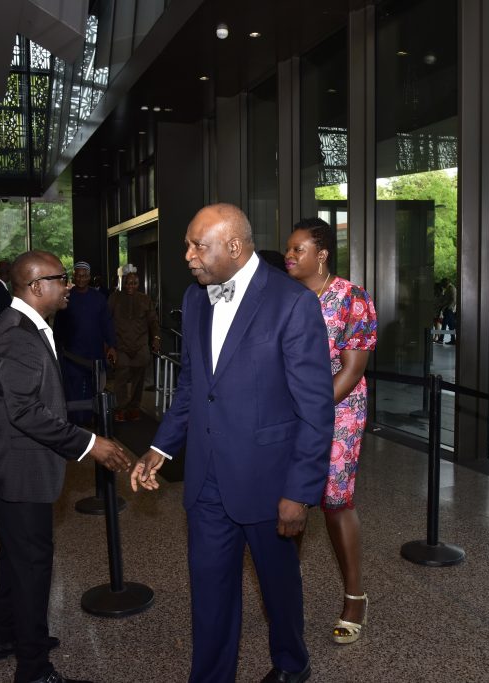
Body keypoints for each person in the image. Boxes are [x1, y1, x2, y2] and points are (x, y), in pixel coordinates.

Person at [131, 203, 334, 683]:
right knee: (210, 592)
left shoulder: (291, 303)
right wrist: (160, 449)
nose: (188, 256)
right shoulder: (196, 298)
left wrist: (300, 492)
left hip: (268, 481)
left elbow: (315, 408)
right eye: (189, 244)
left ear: (235, 247)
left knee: (278, 586)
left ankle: (291, 663)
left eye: (198, 246)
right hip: (206, 482)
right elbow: (193, 389)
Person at [0, 250, 131, 683]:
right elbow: (24, 411)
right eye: (60, 278)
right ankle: (34, 668)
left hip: (11, 467)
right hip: (18, 471)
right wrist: (89, 444)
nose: (68, 285)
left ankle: (4, 637)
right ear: (37, 286)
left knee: (15, 560)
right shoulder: (18, 334)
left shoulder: (26, 326)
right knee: (32, 567)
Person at [285, 218, 378, 646]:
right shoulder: (283, 298)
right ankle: (288, 593)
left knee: (336, 501)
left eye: (297, 249)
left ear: (320, 255)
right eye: (288, 250)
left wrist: (313, 411)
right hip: (288, 413)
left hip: (338, 411)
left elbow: (353, 368)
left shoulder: (351, 298)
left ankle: (355, 596)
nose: (289, 256)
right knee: (292, 497)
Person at [52, 261, 116, 426]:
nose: (80, 278)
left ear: (89, 277)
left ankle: (89, 422)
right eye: (77, 275)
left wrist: (111, 345)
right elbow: (58, 326)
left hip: (94, 355)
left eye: (84, 275)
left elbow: (107, 324)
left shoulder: (99, 299)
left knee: (93, 390)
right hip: (71, 355)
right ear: (74, 276)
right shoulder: (66, 297)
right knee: (72, 391)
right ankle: (74, 425)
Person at [107, 270, 160, 422]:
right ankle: (121, 408)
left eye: (134, 283)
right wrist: (108, 344)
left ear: (138, 284)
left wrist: (156, 338)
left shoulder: (144, 299)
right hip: (121, 346)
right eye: (128, 283)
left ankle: (134, 408)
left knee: (139, 380)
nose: (130, 286)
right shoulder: (114, 298)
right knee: (121, 380)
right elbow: (106, 320)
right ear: (123, 283)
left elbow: (153, 322)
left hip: (140, 347)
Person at [436, 277, 457, 344]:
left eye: (443, 283)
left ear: (446, 282)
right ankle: (453, 339)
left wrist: (449, 307)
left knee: (445, 324)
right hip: (446, 309)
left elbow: (453, 299)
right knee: (450, 325)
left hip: (449, 309)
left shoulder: (452, 288)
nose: (442, 285)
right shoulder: (448, 288)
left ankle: (441, 339)